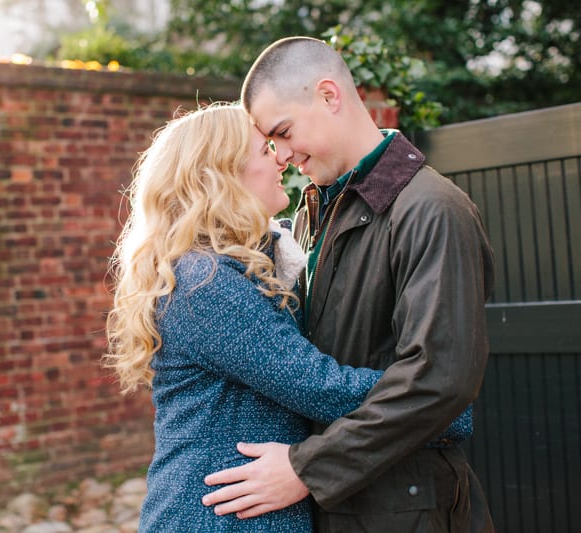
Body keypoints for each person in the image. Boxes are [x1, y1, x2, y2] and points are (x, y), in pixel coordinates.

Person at [105, 102, 472, 532]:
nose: (282, 157)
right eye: (265, 150)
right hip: (217, 516)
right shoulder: (205, 281)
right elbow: (317, 386)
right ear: (222, 175)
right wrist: (439, 403)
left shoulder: (239, 263)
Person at [201, 37, 496, 532]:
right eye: (271, 142)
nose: (282, 154)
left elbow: (439, 378)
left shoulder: (432, 209)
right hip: (334, 508)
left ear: (329, 96)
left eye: (285, 132)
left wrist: (307, 468)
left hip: (407, 509)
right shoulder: (310, 211)